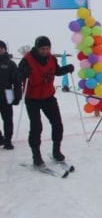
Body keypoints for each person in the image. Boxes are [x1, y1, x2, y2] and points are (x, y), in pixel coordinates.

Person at [17, 36, 75, 165]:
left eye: (47, 48)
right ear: (37, 48)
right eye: (42, 49)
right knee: (37, 127)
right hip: (33, 99)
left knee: (57, 124)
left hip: (48, 97)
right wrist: (23, 73)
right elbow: (17, 76)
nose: (45, 51)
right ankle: (36, 155)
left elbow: (57, 71)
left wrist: (67, 69)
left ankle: (56, 151)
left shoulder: (52, 59)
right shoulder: (27, 60)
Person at [0, 40, 22, 149]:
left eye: (1, 48)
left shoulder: (10, 64)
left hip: (6, 95)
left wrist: (17, 96)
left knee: (8, 119)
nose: (0, 50)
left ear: (5, 49)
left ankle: (8, 140)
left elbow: (17, 81)